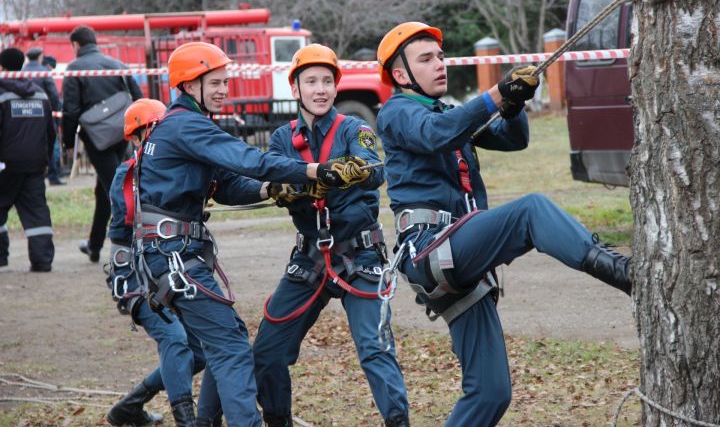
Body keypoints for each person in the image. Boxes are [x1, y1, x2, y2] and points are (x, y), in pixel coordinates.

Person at [374, 22, 632, 427]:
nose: (439, 64)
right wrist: (496, 94)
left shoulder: (447, 113)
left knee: (491, 394)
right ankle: (623, 273)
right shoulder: (398, 112)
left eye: (440, 56)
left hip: (460, 259)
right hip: (430, 250)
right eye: (426, 59)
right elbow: (437, 135)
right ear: (402, 75)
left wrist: (512, 107)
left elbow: (514, 139)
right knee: (530, 212)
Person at [132, 41, 346, 425]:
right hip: (175, 254)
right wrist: (312, 171)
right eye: (213, 82)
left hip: (173, 252)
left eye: (224, 82)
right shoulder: (186, 124)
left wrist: (270, 189)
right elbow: (250, 159)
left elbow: (226, 184)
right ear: (187, 85)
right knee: (231, 347)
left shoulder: (187, 125)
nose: (223, 90)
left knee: (225, 337)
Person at [253, 44, 410, 427]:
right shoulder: (281, 139)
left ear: (336, 88)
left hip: (360, 257)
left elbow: (374, 169)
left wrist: (337, 171)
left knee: (374, 349)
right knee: (268, 352)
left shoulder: (355, 129)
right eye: (311, 82)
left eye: (327, 81)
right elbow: (275, 175)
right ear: (296, 89)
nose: (320, 89)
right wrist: (290, 186)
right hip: (309, 259)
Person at [105, 98, 222, 426]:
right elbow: (127, 224)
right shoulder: (128, 174)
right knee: (175, 339)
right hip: (135, 276)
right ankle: (186, 420)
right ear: (136, 138)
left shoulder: (176, 170)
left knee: (197, 351)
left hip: (170, 267)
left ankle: (130, 406)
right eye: (151, 132)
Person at [61, 25, 143, 263]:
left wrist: (68, 142)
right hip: (123, 134)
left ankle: (133, 243)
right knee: (105, 190)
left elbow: (71, 110)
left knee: (116, 191)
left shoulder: (75, 68)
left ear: (76, 45)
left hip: (97, 139)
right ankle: (95, 245)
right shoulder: (117, 64)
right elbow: (138, 97)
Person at [0, 48, 55, 272]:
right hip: (35, 165)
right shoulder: (40, 94)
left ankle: (1, 257)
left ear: (2, 68)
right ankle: (42, 261)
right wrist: (46, 162)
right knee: (37, 213)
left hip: (5, 165)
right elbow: (50, 133)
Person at [23, 47, 64, 185]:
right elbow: (53, 94)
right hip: (44, 113)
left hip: (23, 113)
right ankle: (53, 175)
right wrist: (53, 110)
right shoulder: (44, 72)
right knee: (51, 142)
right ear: (40, 56)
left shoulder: (21, 72)